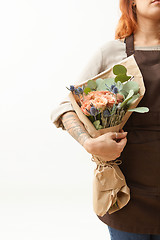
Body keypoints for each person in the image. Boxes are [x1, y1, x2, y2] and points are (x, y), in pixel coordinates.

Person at [50, 0, 160, 239]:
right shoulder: (111, 53)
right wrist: (89, 143)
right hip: (124, 192)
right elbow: (65, 107)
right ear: (131, 3)